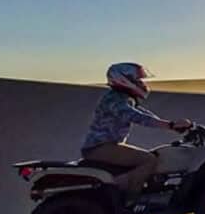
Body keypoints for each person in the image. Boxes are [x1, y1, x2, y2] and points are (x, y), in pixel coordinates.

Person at [81, 63, 191, 202]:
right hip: (100, 148)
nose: (141, 83)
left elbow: (144, 114)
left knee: (154, 155)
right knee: (148, 160)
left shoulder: (123, 97)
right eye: (137, 80)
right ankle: (130, 197)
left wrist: (172, 124)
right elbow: (135, 116)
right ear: (124, 80)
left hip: (106, 146)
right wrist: (169, 125)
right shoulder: (115, 99)